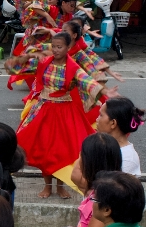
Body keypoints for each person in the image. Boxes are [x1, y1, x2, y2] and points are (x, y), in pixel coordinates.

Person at [6, 32, 115, 198]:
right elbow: (19, 67)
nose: (55, 50)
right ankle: (47, 186)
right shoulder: (43, 62)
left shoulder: (73, 68)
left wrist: (104, 91)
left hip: (64, 111)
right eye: (53, 46)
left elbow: (87, 81)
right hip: (43, 110)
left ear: (68, 47)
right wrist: (22, 58)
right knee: (43, 149)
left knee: (62, 150)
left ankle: (60, 186)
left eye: (59, 47)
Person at [37, 133, 122, 227]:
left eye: (81, 156)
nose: (77, 160)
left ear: (88, 163)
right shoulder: (100, 192)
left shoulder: (99, 202)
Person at [96, 97, 143, 175]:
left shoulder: (127, 158)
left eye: (101, 115)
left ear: (113, 123)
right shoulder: (103, 146)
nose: (97, 119)